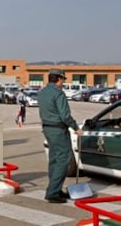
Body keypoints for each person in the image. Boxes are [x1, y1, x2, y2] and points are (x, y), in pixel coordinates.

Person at [37, 69, 83, 204]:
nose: (63, 82)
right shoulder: (59, 94)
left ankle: (55, 189)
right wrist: (75, 127)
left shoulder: (42, 92)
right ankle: (52, 192)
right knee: (63, 160)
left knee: (54, 160)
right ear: (58, 79)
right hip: (58, 129)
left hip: (47, 128)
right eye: (63, 79)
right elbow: (65, 116)